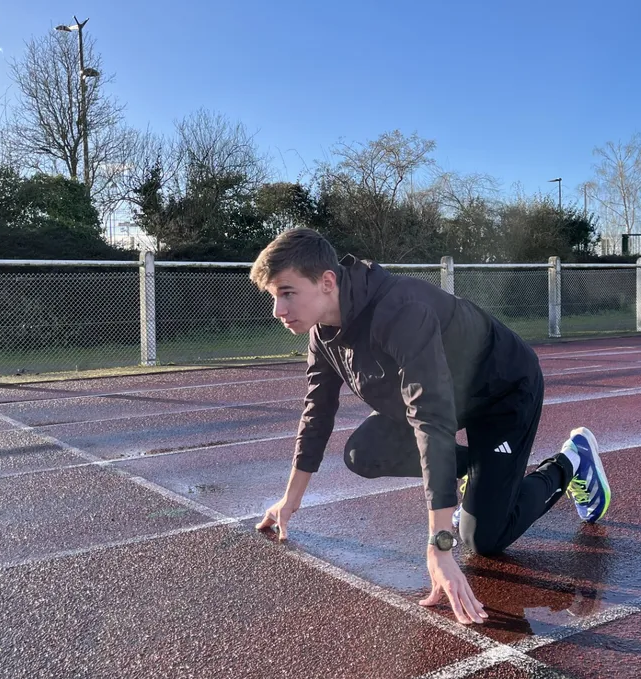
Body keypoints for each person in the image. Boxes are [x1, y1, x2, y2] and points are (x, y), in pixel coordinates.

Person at [250, 228, 610, 626]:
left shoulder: (401, 310)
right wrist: (291, 501)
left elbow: (430, 417)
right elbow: (316, 413)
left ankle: (570, 462)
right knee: (362, 452)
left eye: (287, 293)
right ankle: (479, 473)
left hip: (502, 393)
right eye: (273, 297)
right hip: (449, 400)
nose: (278, 311)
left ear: (327, 281)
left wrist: (439, 545)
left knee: (483, 540)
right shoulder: (323, 337)